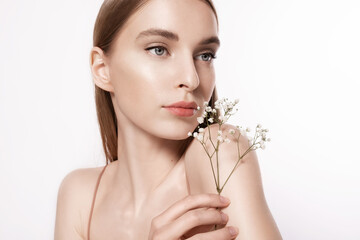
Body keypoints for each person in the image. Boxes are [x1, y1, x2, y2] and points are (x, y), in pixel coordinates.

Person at [54, 0, 282, 239]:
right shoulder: (80, 195)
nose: (191, 79)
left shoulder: (219, 151)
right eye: (158, 49)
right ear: (102, 69)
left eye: (205, 55)